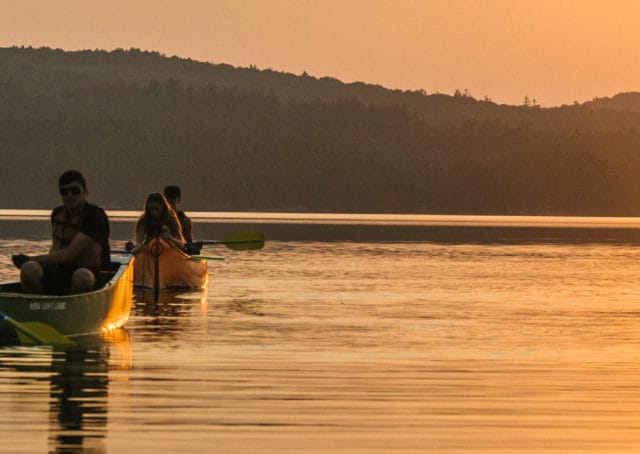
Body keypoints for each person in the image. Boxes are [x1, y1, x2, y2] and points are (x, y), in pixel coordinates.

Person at [11, 170, 111, 295]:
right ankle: (39, 307)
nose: (70, 195)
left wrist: (28, 258)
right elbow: (55, 248)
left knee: (82, 277)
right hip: (58, 271)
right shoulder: (57, 214)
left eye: (75, 191)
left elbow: (69, 254)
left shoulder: (95, 217)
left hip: (87, 273)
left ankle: (73, 310)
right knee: (28, 269)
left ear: (85, 192)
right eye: (64, 192)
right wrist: (28, 263)